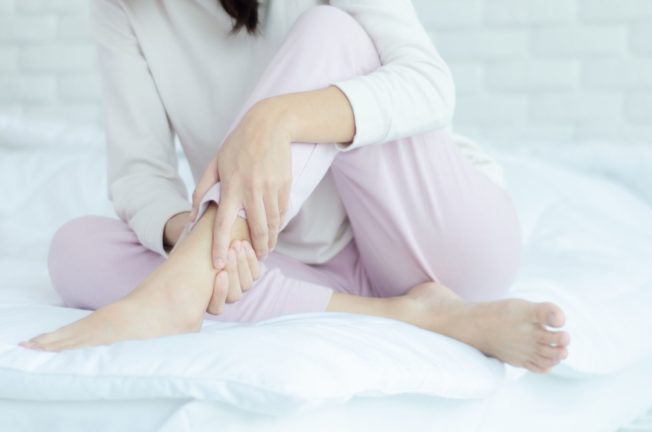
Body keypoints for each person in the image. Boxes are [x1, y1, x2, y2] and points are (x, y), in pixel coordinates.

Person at [19, 0, 569, 374]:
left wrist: (276, 119)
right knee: (76, 249)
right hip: (288, 260)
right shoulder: (124, 7)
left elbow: (429, 85)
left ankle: (178, 291)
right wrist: (190, 235)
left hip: (428, 237)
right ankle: (417, 315)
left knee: (332, 32)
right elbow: (139, 173)